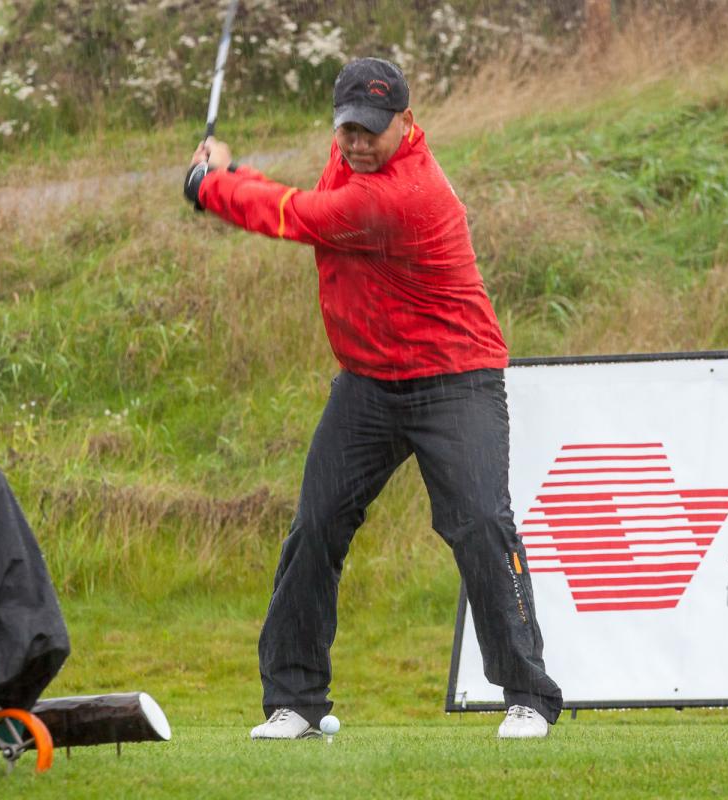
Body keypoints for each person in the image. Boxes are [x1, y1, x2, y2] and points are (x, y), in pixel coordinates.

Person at [183, 57, 562, 740]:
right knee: (316, 527)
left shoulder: (400, 196)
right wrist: (229, 173)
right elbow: (306, 199)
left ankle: (528, 695)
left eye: (372, 130)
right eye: (348, 129)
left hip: (455, 378)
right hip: (368, 382)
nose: (357, 143)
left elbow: (298, 216)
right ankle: (297, 703)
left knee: (481, 524)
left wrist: (212, 184)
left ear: (406, 123)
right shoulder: (352, 159)